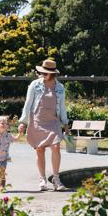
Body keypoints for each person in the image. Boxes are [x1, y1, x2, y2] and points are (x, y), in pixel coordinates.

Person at [18, 59, 69, 191]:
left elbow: (62, 106)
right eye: (42, 72)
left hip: (53, 121)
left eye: (45, 73)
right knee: (40, 150)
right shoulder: (35, 85)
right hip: (37, 120)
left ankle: (56, 179)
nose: (42, 74)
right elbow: (28, 103)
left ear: (52, 74)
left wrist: (65, 122)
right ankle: (42, 179)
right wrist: (23, 122)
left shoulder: (60, 88)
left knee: (56, 147)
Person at [0, 116, 21, 190]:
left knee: (2, 173)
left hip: (4, 158)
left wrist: (20, 133)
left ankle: (2, 186)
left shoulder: (8, 136)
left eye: (6, 123)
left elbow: (15, 139)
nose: (5, 124)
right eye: (2, 123)